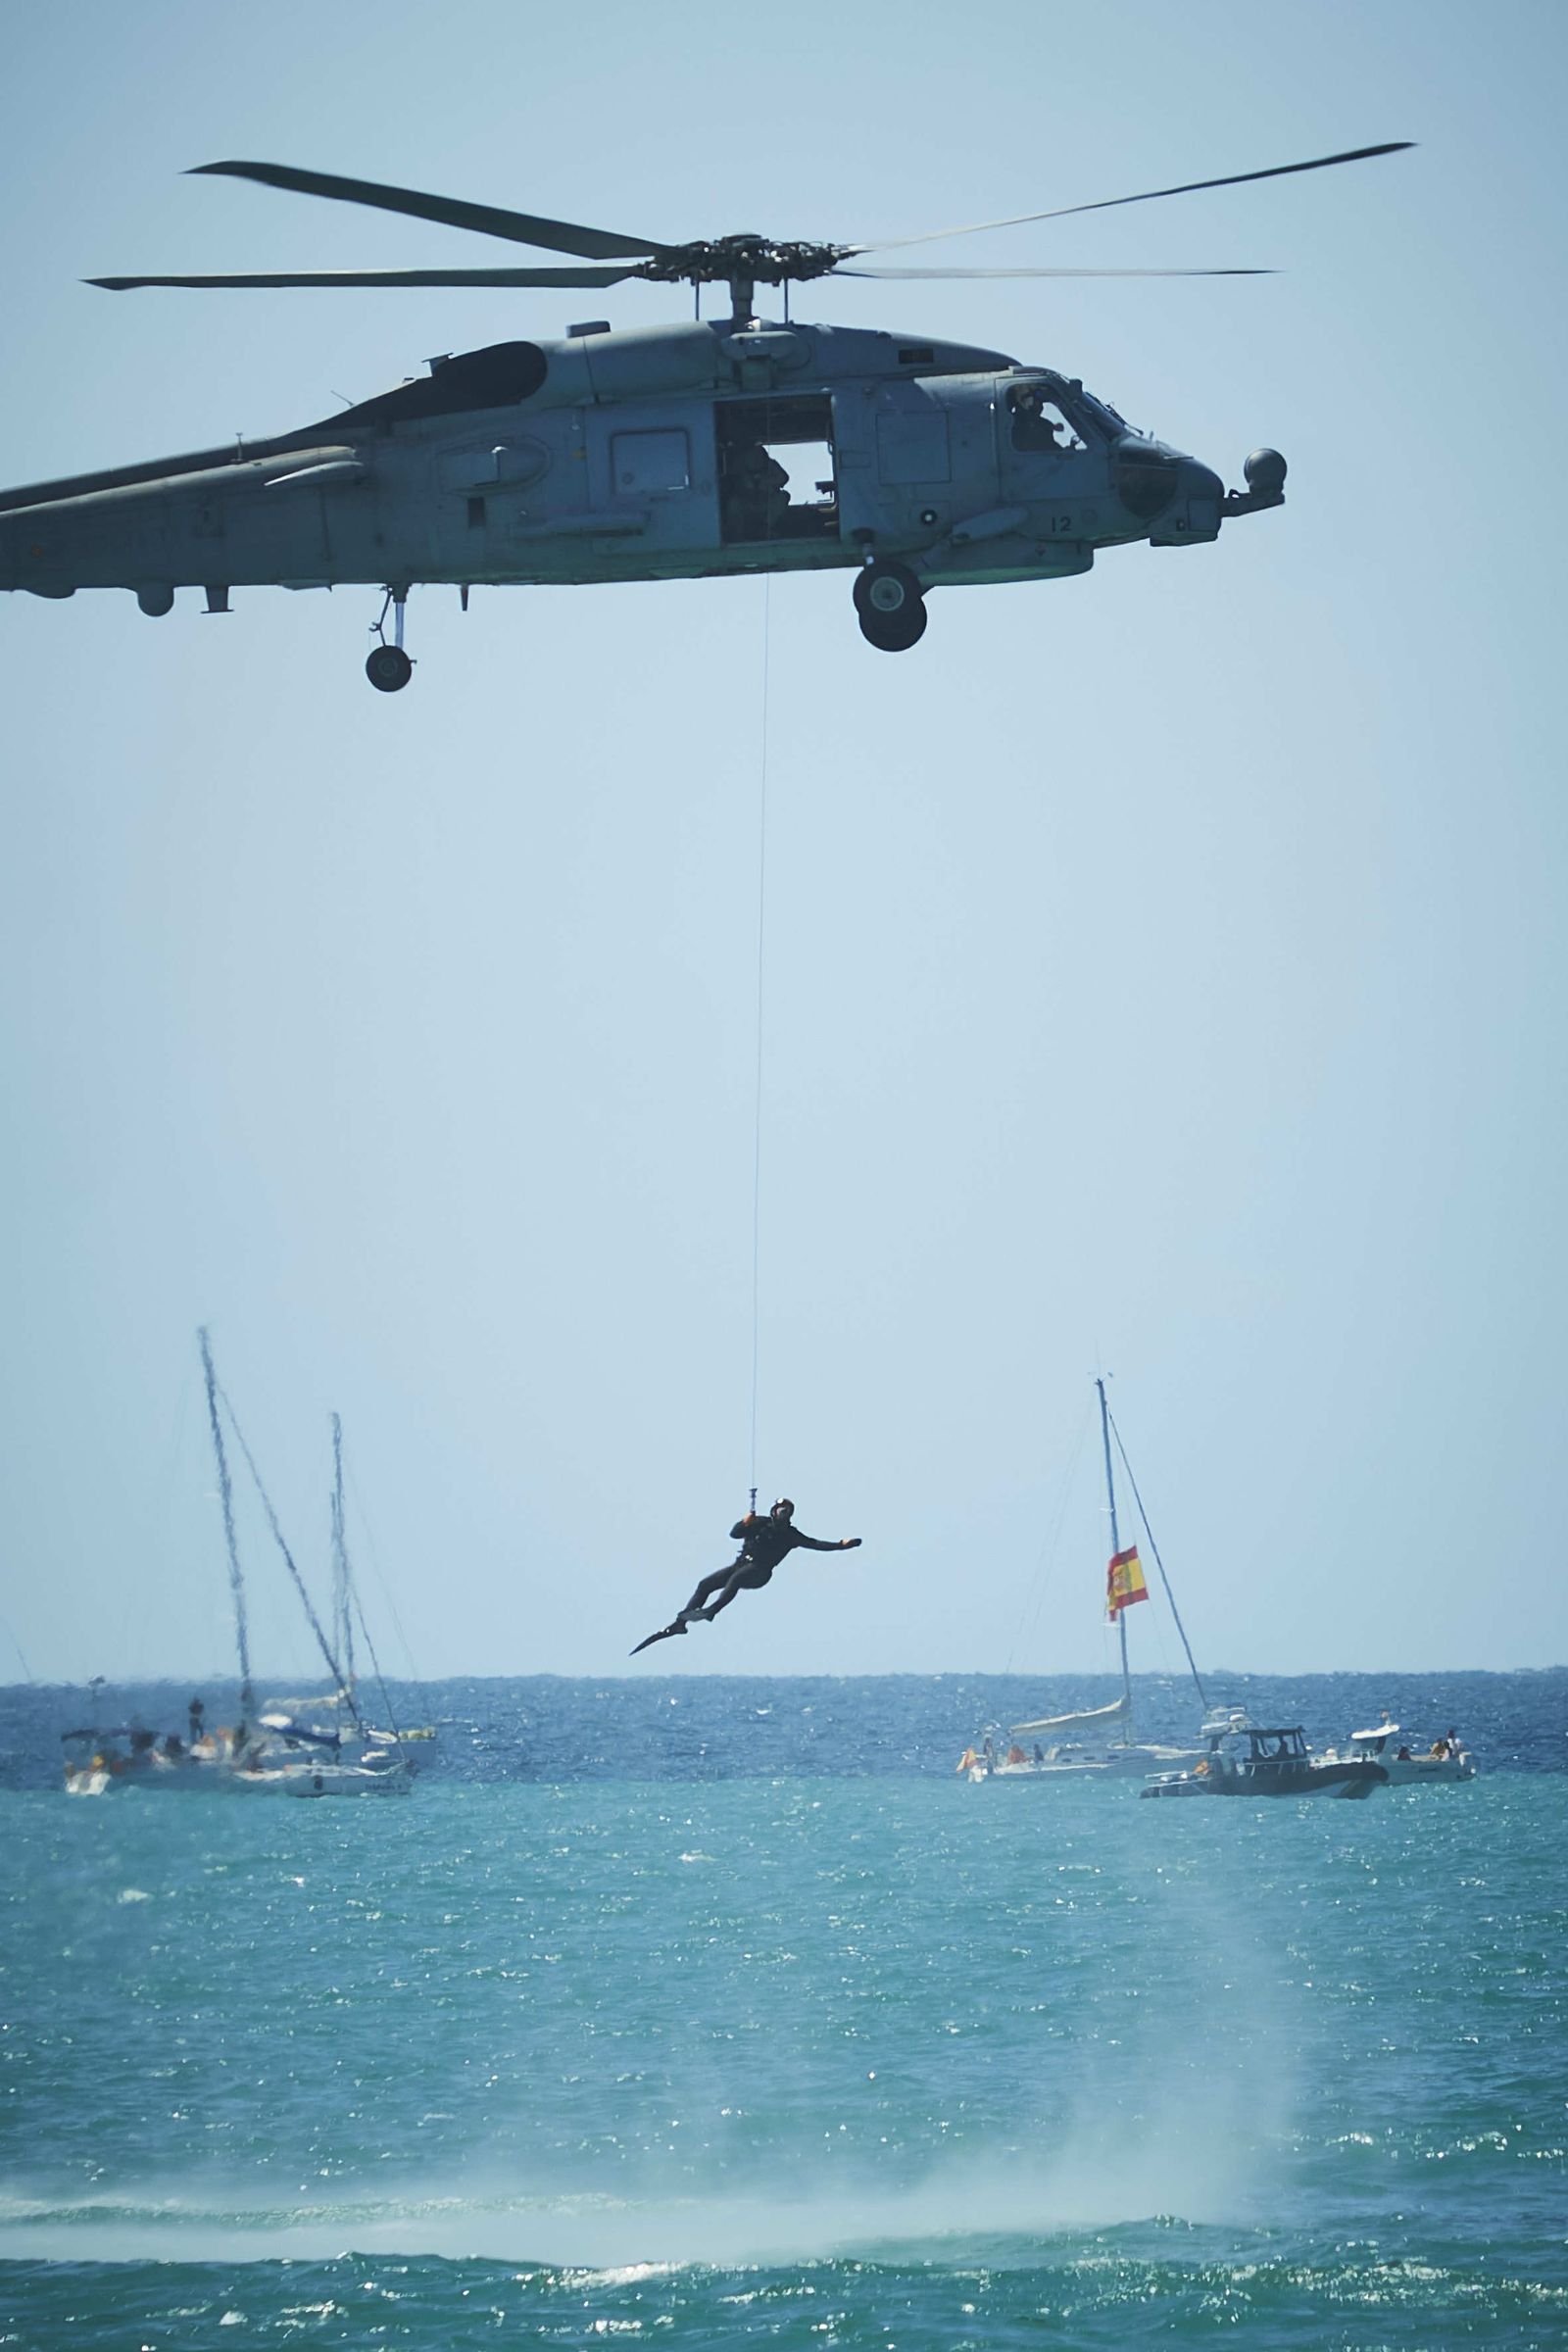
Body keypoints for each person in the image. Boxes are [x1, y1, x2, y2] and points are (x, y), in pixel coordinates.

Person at [633, 1500, 861, 1650]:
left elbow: (816, 1544)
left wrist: (842, 1545)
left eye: (787, 1512)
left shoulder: (791, 1535)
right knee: (705, 1584)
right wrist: (743, 1523)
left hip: (760, 1573)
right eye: (781, 1511)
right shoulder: (759, 1523)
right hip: (741, 1564)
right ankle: (679, 1624)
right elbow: (734, 1534)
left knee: (735, 1581)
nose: (783, 1514)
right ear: (774, 1511)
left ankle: (712, 1611)